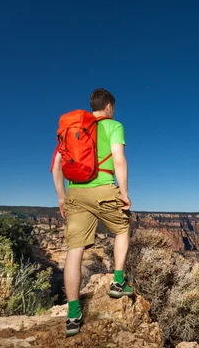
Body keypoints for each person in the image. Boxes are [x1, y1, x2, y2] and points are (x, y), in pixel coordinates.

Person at [51, 88, 132, 337]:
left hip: (75, 192)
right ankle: (118, 282)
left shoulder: (73, 129)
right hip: (104, 188)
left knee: (74, 251)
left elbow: (56, 167)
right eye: (113, 108)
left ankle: (73, 314)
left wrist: (62, 198)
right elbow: (119, 159)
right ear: (109, 106)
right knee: (122, 229)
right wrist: (124, 192)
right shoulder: (113, 125)